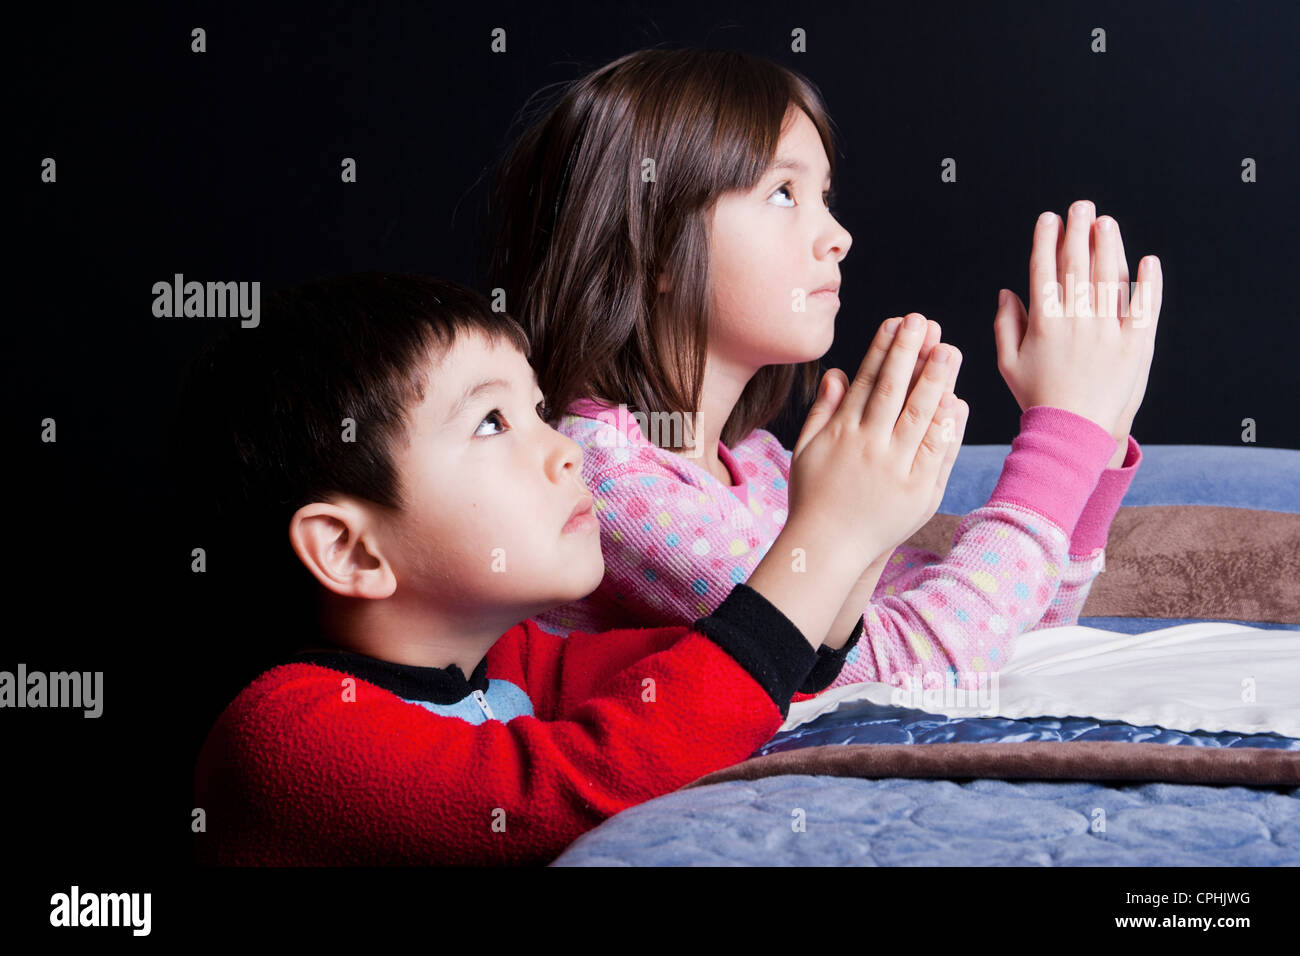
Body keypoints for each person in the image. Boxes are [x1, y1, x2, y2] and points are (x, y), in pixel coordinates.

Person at [175, 271, 963, 865]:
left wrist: (862, 538)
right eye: (492, 421)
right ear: (351, 550)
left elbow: (749, 686)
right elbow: (578, 787)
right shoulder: (285, 733)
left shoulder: (517, 661)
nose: (560, 449)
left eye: (538, 408)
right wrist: (820, 540)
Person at [483, 47, 1161, 695]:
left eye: (825, 195)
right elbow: (910, 673)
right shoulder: (608, 480)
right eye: (783, 193)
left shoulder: (767, 469)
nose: (839, 235)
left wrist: (1100, 433)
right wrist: (1062, 438)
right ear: (653, 242)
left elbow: (1014, 632)